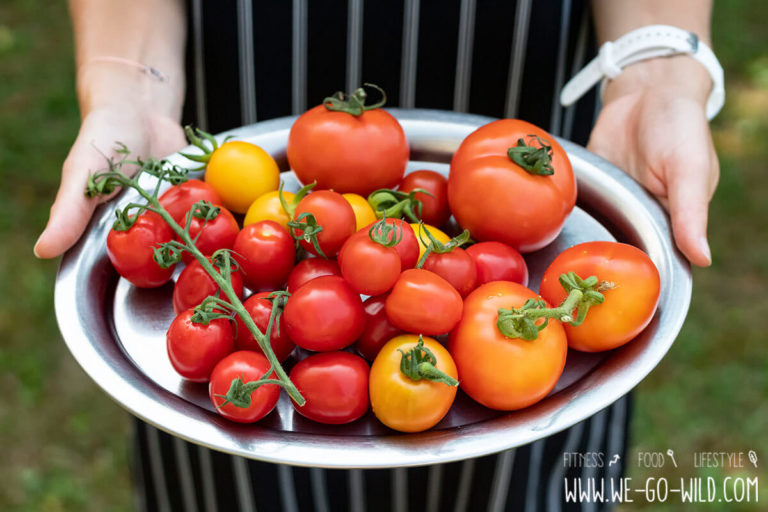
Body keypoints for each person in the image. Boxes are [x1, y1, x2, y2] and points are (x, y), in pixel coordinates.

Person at [35, 0, 721, 510]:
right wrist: (131, 82)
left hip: (521, 120)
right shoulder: (257, 271)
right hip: (251, 99)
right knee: (239, 485)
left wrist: (655, 74)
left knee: (524, 475)